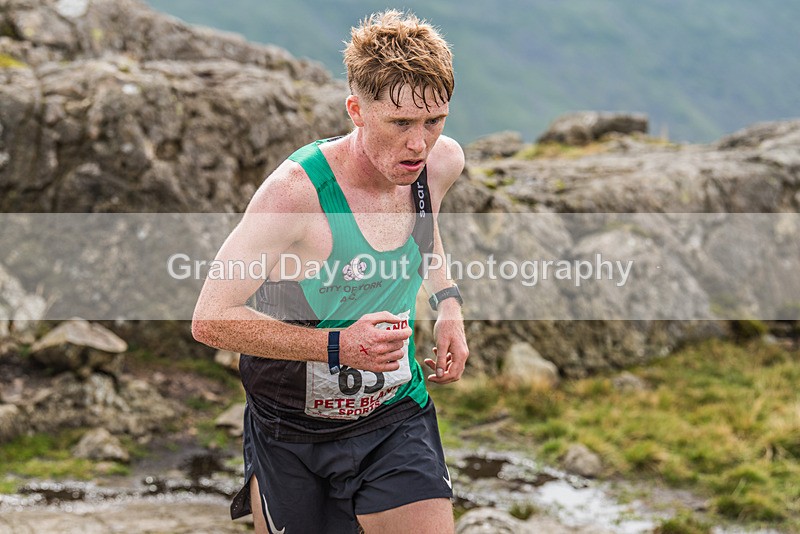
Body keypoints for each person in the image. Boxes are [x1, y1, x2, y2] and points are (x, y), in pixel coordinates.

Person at [192, 9, 468, 534]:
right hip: (289, 426)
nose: (419, 144)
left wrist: (448, 305)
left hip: (393, 413)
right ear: (356, 110)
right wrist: (340, 347)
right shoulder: (295, 195)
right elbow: (209, 319)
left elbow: (425, 233)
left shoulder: (439, 164)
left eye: (434, 121)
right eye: (401, 123)